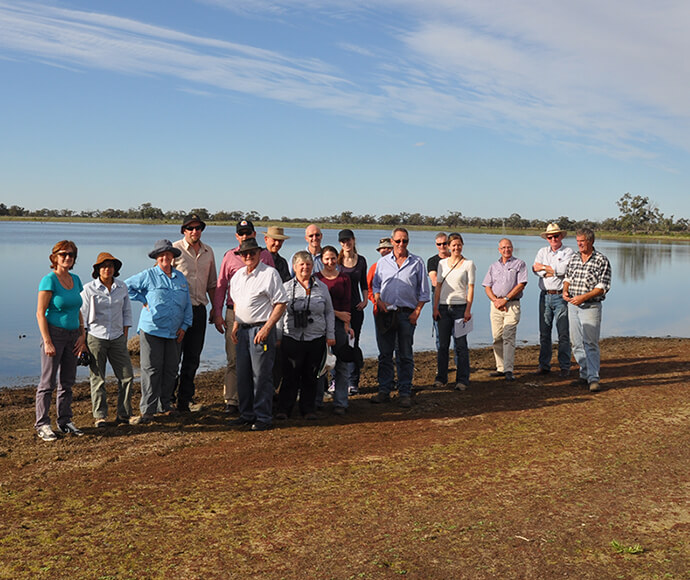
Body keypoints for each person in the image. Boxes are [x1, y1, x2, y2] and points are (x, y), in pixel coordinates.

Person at [125, 240, 193, 424]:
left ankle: (165, 405)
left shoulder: (180, 278)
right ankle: (147, 409)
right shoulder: (148, 275)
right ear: (156, 258)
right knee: (151, 370)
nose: (165, 258)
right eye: (161, 255)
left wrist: (185, 326)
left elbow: (187, 304)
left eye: (168, 255)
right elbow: (125, 287)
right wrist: (143, 299)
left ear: (172, 257)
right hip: (152, 331)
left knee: (170, 370)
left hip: (174, 332)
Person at [213, 219, 274, 415]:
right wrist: (217, 313)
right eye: (242, 233)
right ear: (237, 236)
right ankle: (232, 401)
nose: (245, 236)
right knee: (234, 360)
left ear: (255, 234)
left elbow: (276, 297)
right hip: (234, 314)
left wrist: (271, 325)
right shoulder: (229, 257)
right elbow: (221, 285)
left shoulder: (265, 258)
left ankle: (260, 408)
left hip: (261, 319)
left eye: (249, 232)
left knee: (259, 366)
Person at [228, 239, 288, 431]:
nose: (248, 256)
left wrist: (267, 328)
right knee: (243, 374)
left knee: (261, 375)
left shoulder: (269, 273)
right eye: (244, 253)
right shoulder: (237, 276)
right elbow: (237, 302)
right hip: (243, 330)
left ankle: (263, 416)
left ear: (259, 253)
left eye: (252, 252)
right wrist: (236, 323)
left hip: (260, 329)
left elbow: (281, 303)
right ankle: (246, 414)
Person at [371, 228, 430, 407]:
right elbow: (375, 286)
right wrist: (378, 300)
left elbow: (424, 292)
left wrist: (417, 312)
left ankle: (405, 392)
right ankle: (384, 390)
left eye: (404, 241)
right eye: (398, 241)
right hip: (386, 314)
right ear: (392, 241)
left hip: (406, 314)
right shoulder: (382, 263)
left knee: (405, 355)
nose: (401, 244)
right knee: (385, 354)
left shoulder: (417, 262)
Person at [35, 240, 87, 441]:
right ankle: (43, 424)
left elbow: (77, 309)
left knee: (68, 381)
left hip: (74, 336)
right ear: (54, 257)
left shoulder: (76, 279)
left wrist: (82, 335)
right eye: (63, 254)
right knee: (47, 382)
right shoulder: (49, 280)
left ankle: (65, 420)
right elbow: (40, 313)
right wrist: (47, 340)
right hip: (54, 335)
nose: (67, 257)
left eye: (71, 255)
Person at [276, 251, 335, 420]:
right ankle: (284, 409)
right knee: (290, 375)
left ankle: (308, 409)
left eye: (308, 264)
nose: (305, 267)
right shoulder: (286, 287)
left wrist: (330, 334)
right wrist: (278, 337)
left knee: (311, 375)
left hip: (315, 337)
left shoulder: (322, 287)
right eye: (301, 264)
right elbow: (278, 313)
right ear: (294, 267)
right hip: (291, 337)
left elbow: (329, 312)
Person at [81, 252, 134, 427]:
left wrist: (125, 335)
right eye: (104, 266)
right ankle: (100, 416)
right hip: (96, 337)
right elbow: (83, 316)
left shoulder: (122, 287)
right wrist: (83, 341)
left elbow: (127, 312)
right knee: (98, 378)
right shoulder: (89, 289)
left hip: (118, 337)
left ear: (115, 269)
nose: (107, 269)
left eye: (110, 266)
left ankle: (124, 414)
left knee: (127, 376)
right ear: (97, 270)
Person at [172, 213, 217, 413]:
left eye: (198, 228)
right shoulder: (173, 250)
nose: (194, 231)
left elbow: (213, 284)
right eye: (190, 228)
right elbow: (158, 278)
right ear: (184, 230)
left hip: (199, 310)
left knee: (193, 358)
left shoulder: (209, 252)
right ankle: (167, 399)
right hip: (178, 312)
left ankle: (185, 400)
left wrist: (216, 309)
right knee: (174, 357)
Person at [563, 228, 612, 392]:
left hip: (590, 306)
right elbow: (568, 277)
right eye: (577, 241)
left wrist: (583, 297)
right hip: (573, 305)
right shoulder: (574, 258)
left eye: (582, 241)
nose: (579, 244)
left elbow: (602, 287)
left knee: (590, 343)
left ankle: (593, 378)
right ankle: (584, 374)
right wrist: (565, 290)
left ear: (590, 241)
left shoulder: (601, 260)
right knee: (576, 343)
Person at [432, 233, 475, 390]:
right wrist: (435, 308)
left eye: (459, 245)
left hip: (460, 308)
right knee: (442, 345)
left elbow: (470, 288)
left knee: (460, 345)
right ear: (449, 247)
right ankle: (441, 378)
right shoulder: (442, 264)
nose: (456, 248)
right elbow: (438, 287)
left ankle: (462, 379)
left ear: (462, 245)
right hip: (443, 308)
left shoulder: (468, 264)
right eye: (454, 245)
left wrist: (468, 310)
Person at [532, 223, 575, 377]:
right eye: (550, 237)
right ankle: (544, 365)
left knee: (563, 333)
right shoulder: (542, 251)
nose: (553, 239)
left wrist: (547, 269)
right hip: (544, 295)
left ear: (561, 236)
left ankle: (565, 366)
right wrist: (552, 271)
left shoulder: (569, 251)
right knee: (544, 333)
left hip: (561, 296)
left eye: (556, 236)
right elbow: (535, 269)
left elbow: (565, 270)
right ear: (547, 238)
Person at [482, 238, 528, 381]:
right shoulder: (493, 266)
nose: (506, 250)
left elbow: (521, 284)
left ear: (512, 248)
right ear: (499, 250)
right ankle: (500, 368)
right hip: (496, 305)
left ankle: (508, 369)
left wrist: (505, 299)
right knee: (497, 337)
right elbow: (487, 286)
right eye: (503, 248)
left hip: (511, 304)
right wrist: (496, 300)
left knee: (508, 336)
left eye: (508, 247)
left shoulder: (519, 264)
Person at [316, 245, 354, 415]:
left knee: (342, 364)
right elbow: (319, 304)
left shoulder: (344, 278)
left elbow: (347, 303)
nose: (330, 262)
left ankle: (340, 401)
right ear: (322, 260)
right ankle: (317, 401)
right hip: (319, 324)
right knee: (320, 364)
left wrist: (347, 325)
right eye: (326, 259)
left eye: (332, 258)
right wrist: (337, 314)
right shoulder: (316, 278)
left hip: (340, 326)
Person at [337, 228, 368, 395]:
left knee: (353, 343)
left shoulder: (361, 261)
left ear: (354, 240)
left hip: (356, 308)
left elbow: (363, 283)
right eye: (342, 241)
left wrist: (365, 300)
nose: (346, 243)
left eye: (348, 240)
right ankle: (336, 381)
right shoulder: (337, 261)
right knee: (338, 344)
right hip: (340, 309)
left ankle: (353, 381)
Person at [367, 238, 393, 313]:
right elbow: (368, 288)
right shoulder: (374, 267)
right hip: (379, 309)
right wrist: (376, 301)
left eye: (389, 248)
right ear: (379, 251)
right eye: (383, 248)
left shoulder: (400, 266)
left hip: (398, 308)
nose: (386, 250)